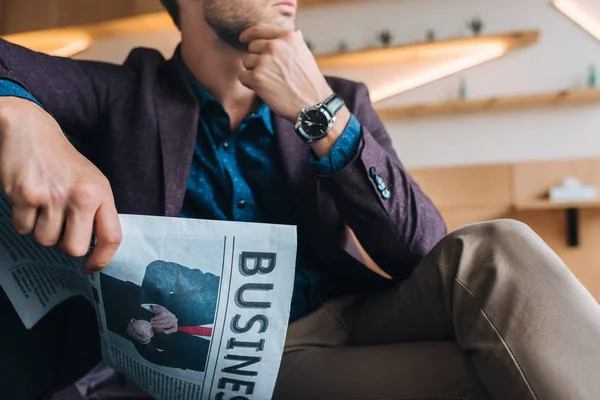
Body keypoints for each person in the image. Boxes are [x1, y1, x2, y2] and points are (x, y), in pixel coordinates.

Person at [0, 0, 599, 399]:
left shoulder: (339, 97)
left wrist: (321, 113)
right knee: (495, 370)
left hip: (355, 314)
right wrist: (23, 118)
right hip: (245, 360)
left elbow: (422, 250)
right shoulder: (123, 92)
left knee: (498, 248)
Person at [100, 261, 219, 372]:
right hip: (115, 293)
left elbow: (159, 358)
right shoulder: (225, 294)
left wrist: (144, 341)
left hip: (107, 327)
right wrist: (156, 305)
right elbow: (159, 270)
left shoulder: (219, 365)